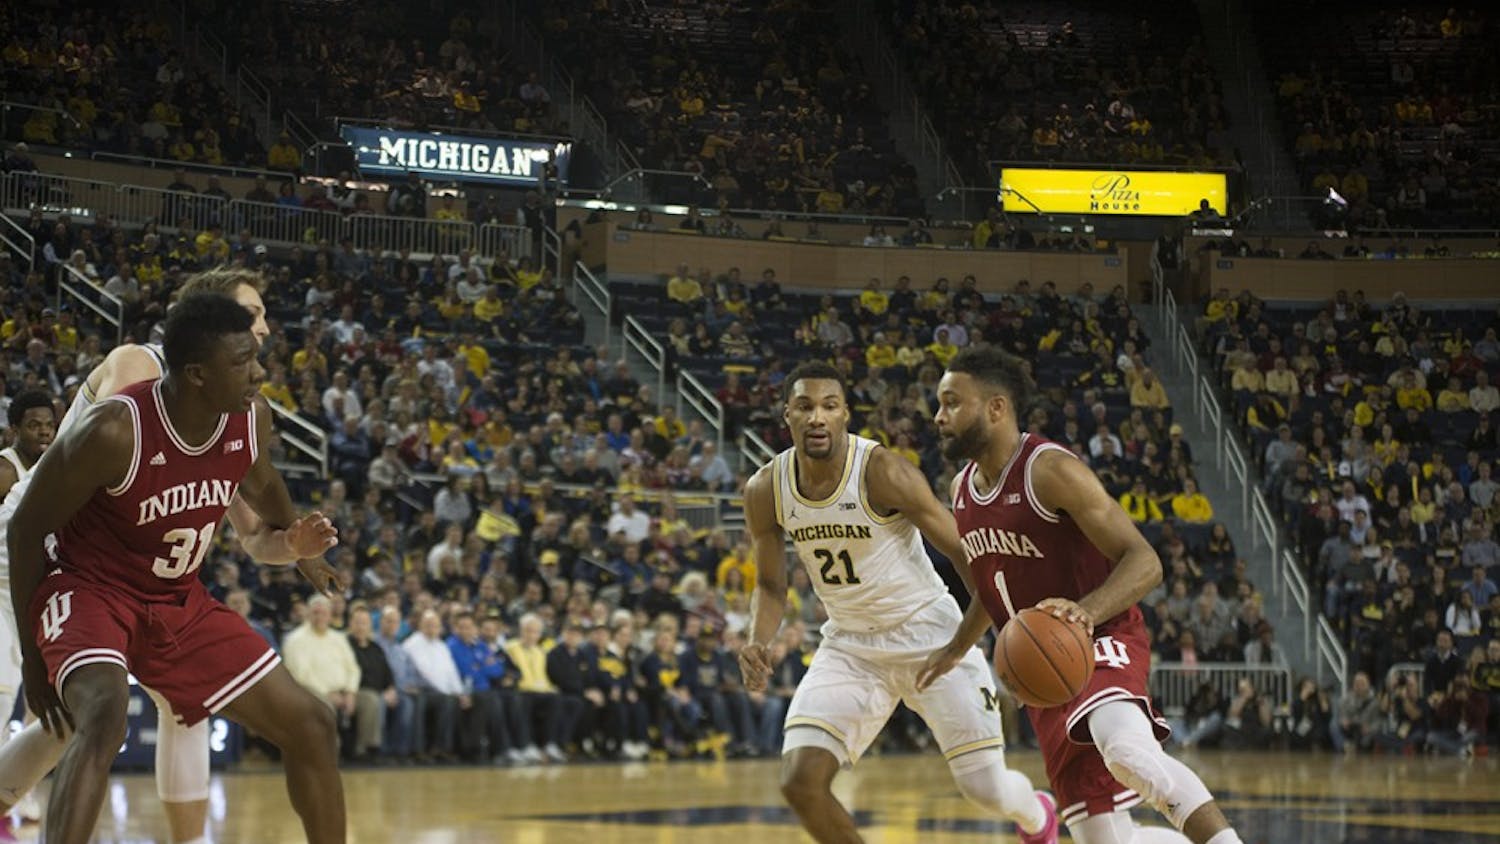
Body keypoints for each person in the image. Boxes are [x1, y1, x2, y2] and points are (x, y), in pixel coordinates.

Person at [0, 269, 341, 844]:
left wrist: (298, 545)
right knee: (101, 714)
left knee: (311, 722)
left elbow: (261, 485)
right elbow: (29, 525)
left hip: (174, 595)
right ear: (197, 369)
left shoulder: (247, 414)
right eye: (245, 351)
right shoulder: (121, 421)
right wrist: (36, 660)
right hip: (84, 580)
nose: (261, 365)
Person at [737, 360, 1057, 844]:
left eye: (829, 406)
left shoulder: (882, 471)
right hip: (851, 646)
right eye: (805, 407)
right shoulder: (766, 489)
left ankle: (1038, 816)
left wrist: (979, 632)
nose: (817, 417)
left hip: (929, 633)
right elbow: (770, 585)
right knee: (799, 783)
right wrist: (758, 639)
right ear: (788, 416)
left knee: (985, 789)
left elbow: (968, 553)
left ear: (846, 414)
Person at [934, 346, 1242, 844]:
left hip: (1097, 638)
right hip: (1042, 678)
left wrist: (1084, 612)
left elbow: (1145, 560)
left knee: (1128, 752)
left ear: (996, 408)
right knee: (1107, 837)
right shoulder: (962, 490)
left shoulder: (1048, 470)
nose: (938, 416)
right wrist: (953, 650)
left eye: (951, 402)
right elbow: (991, 593)